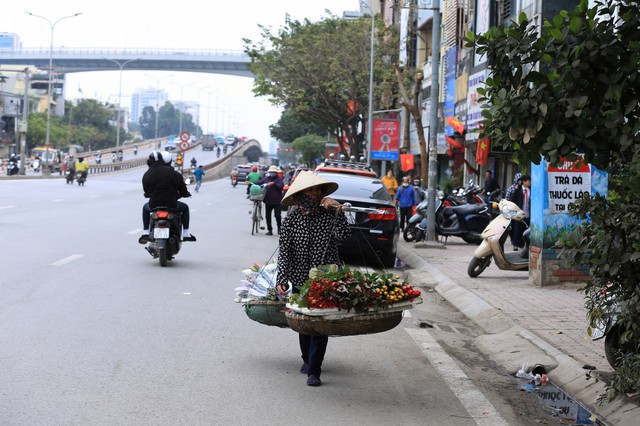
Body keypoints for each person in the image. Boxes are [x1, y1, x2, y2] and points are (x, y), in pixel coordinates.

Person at [275, 171, 351, 387]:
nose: (316, 194)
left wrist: (339, 210)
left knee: (320, 324)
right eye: (311, 190)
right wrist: (282, 277)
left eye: (319, 190)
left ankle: (315, 370)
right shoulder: (291, 219)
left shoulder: (329, 215)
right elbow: (285, 252)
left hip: (325, 279)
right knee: (304, 323)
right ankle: (306, 360)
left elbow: (345, 236)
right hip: (299, 277)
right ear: (301, 194)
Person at [139, 151, 196, 244]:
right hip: (171, 204)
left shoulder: (147, 174)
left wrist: (148, 194)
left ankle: (145, 232)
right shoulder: (172, 172)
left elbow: (146, 191)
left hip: (154, 204)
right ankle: (186, 233)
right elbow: (182, 187)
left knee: (145, 208)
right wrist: (185, 194)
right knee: (185, 208)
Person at [256, 165, 284, 235]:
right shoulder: (266, 179)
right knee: (268, 216)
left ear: (276, 173)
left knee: (277, 215)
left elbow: (281, 187)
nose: (272, 173)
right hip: (268, 200)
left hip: (277, 201)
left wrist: (274, 184)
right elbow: (260, 183)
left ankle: (279, 228)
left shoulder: (279, 179)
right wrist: (252, 183)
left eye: (273, 172)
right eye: (271, 172)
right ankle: (270, 230)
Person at [511, 175, 531, 250]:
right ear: (524, 182)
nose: (530, 182)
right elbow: (513, 199)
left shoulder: (531, 190)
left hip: (528, 213)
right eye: (528, 181)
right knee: (517, 229)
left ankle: (523, 245)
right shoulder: (518, 190)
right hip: (519, 213)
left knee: (525, 229)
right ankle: (515, 244)